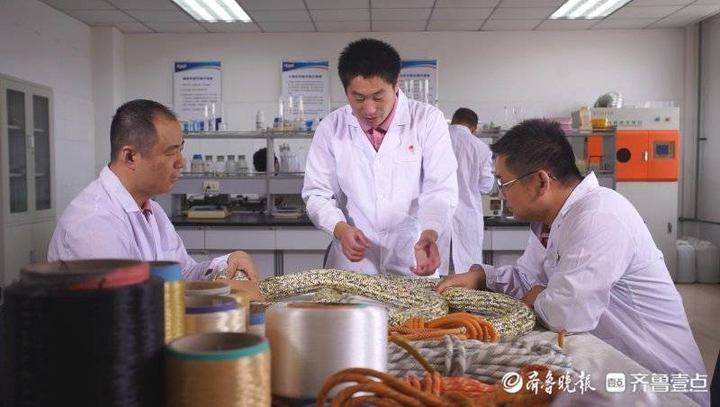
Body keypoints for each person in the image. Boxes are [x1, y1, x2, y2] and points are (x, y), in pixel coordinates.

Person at [437, 119, 708, 406]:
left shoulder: (599, 215)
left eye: (505, 183)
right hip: (611, 364)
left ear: (541, 182)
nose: (501, 192)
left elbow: (567, 313)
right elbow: (528, 280)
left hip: (660, 384)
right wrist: (482, 277)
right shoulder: (552, 221)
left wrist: (541, 295)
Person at [48, 99, 258, 284]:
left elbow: (183, 275)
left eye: (181, 149)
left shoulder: (153, 211)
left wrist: (227, 263)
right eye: (170, 152)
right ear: (130, 157)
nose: (181, 162)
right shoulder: (95, 223)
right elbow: (124, 306)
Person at [302, 38, 458, 276]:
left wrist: (430, 233)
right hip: (353, 262)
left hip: (411, 257)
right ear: (346, 90)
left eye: (378, 96)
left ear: (396, 84)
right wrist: (340, 229)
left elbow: (440, 189)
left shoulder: (427, 120)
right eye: (358, 98)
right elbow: (317, 194)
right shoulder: (331, 127)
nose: (369, 109)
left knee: (415, 303)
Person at [437, 108, 494, 275]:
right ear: (474, 129)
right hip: (467, 219)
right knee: (465, 275)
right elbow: (486, 185)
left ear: (453, 121)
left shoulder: (437, 140)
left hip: (437, 218)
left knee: (436, 274)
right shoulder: (481, 148)